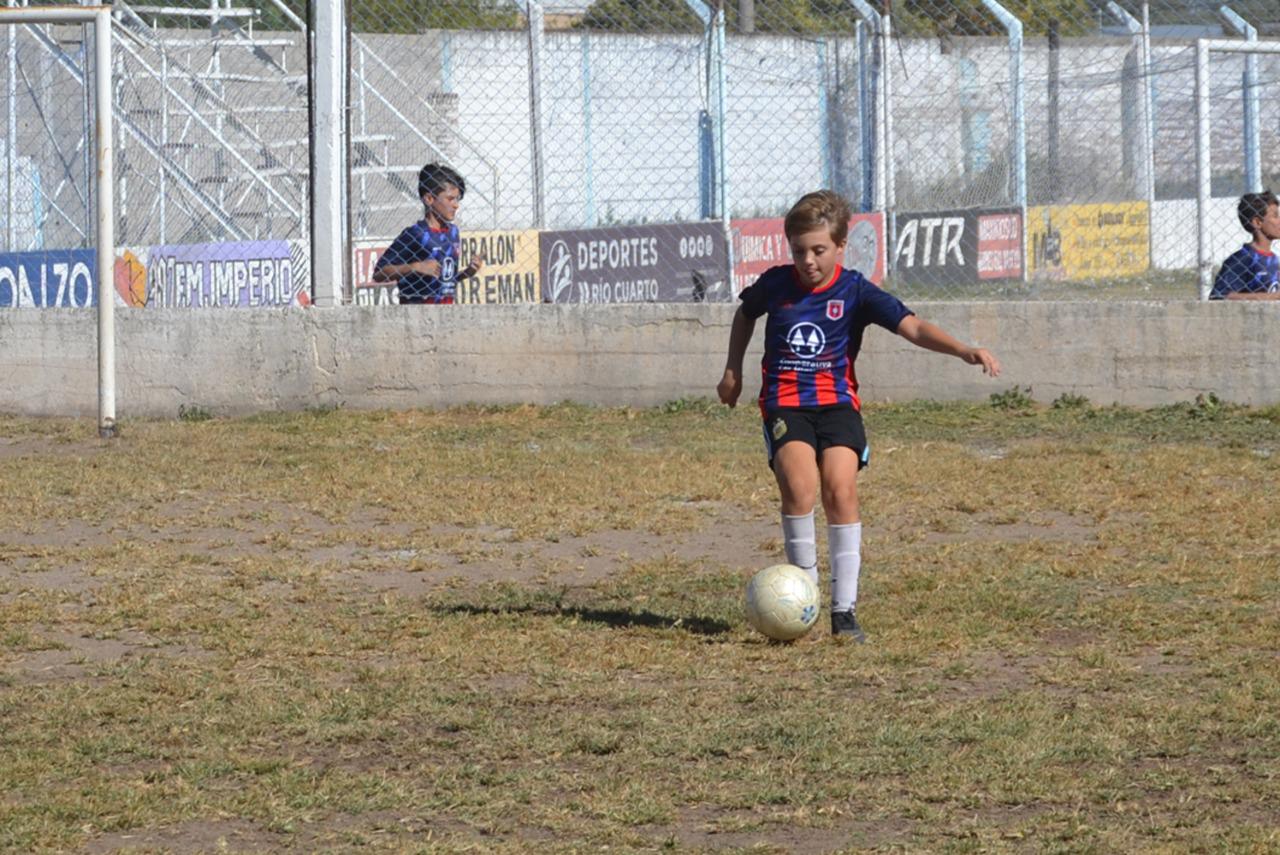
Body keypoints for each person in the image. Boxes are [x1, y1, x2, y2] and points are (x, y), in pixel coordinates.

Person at [716, 190, 1001, 642]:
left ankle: (844, 611)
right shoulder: (775, 284)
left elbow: (914, 326)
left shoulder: (855, 291)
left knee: (840, 488)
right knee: (798, 485)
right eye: (798, 251)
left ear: (841, 246)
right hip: (786, 401)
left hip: (837, 405)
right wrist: (733, 369)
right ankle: (803, 596)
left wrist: (962, 349)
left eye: (818, 250)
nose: (807, 260)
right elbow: (745, 314)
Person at [373, 163, 485, 304]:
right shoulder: (416, 234)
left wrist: (468, 272)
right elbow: (379, 273)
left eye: (457, 199)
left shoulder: (453, 232)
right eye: (450, 199)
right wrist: (415, 267)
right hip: (417, 316)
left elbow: (445, 279)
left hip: (447, 314)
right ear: (429, 199)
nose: (456, 205)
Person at [1211, 190, 1280, 301]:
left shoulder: (1273, 259)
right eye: (1275, 216)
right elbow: (1218, 296)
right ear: (1257, 222)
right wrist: (1272, 297)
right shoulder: (1243, 259)